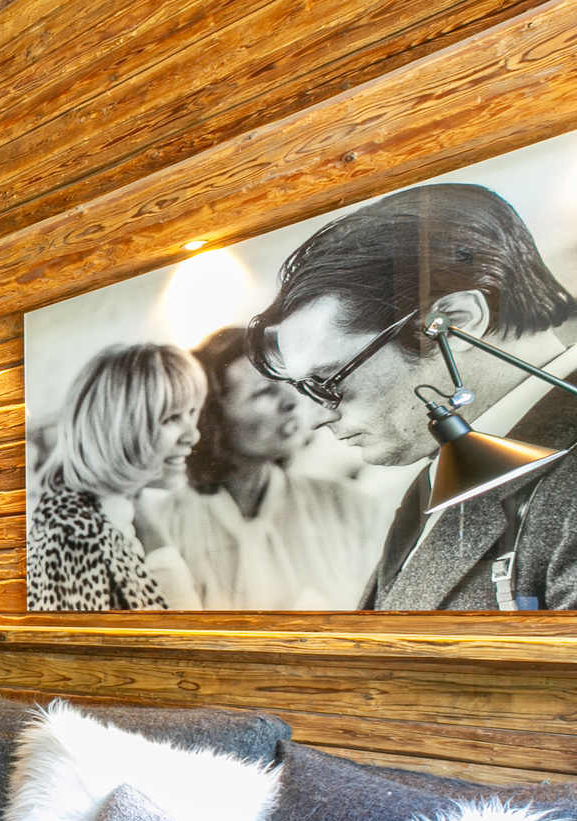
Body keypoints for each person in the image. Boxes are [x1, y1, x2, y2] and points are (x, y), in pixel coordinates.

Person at [247, 182, 577, 610]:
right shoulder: (445, 463)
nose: (313, 419)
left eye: (329, 381)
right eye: (303, 389)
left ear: (455, 322)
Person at [163, 327, 387, 608]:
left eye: (289, 383)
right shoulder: (165, 524)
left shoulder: (350, 508)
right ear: (214, 416)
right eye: (265, 391)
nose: (292, 400)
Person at [27, 343, 205, 610]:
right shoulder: (79, 539)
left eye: (192, 413)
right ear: (117, 428)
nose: (193, 435)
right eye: (170, 419)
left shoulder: (104, 512)